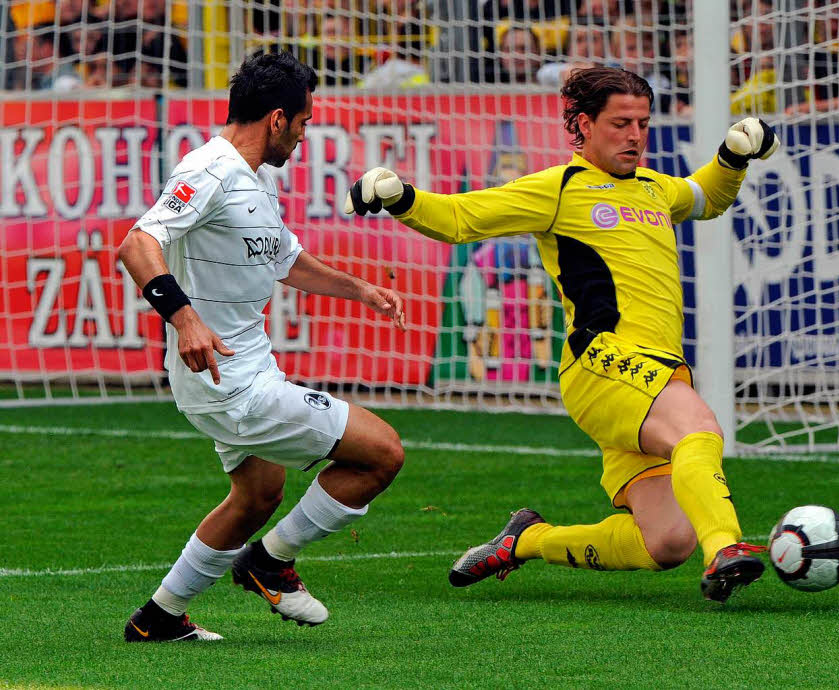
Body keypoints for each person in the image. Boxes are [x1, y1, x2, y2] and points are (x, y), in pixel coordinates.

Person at [345, 66, 779, 602]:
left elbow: (707, 197)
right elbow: (460, 218)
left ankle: (527, 540)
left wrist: (733, 159)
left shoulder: (654, 189)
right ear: (582, 125)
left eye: (642, 123)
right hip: (604, 360)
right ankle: (726, 549)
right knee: (699, 430)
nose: (635, 135)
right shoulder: (560, 188)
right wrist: (401, 197)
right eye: (621, 122)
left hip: (648, 377)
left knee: (666, 542)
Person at [118, 51, 407, 642]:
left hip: (246, 367)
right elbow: (137, 244)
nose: (303, 136)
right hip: (228, 379)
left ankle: (158, 619)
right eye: (302, 122)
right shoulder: (211, 171)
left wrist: (360, 289)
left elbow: (284, 260)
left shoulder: (256, 179)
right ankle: (268, 564)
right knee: (382, 454)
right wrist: (185, 319)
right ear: (277, 119)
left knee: (256, 496)